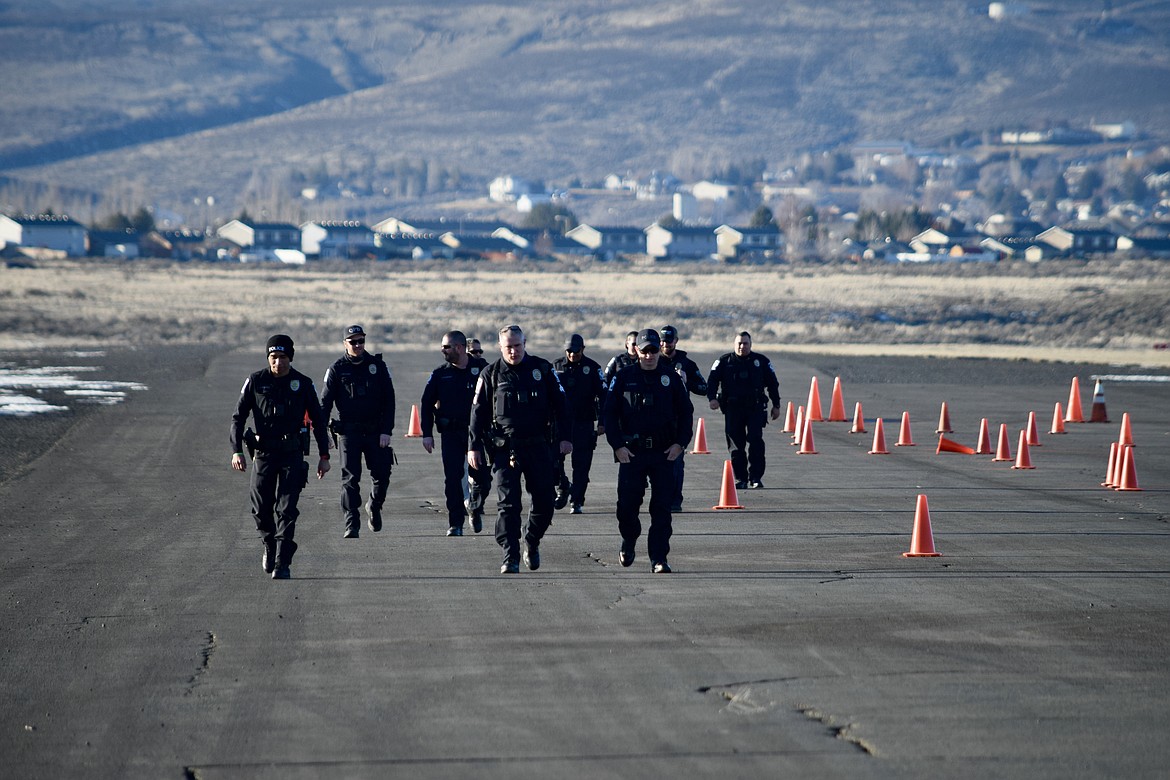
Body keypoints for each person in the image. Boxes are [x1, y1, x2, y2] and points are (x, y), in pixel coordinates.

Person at [468, 325, 571, 574]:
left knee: (545, 502)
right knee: (508, 505)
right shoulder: (490, 374)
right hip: (505, 450)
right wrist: (473, 447)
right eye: (508, 347)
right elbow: (477, 413)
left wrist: (565, 439)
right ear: (500, 347)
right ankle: (510, 555)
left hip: (539, 447)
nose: (513, 351)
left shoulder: (542, 369)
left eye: (517, 345)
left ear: (525, 343)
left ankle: (532, 540)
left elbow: (562, 405)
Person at [230, 334, 331, 580]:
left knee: (287, 509)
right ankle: (270, 543)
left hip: (291, 454)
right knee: (260, 508)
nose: (278, 362)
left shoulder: (303, 383)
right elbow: (238, 417)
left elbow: (318, 421)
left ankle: (283, 562)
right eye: (274, 357)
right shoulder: (256, 381)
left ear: (290, 358)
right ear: (268, 358)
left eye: (283, 357)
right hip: (263, 454)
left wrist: (324, 455)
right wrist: (236, 451)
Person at [603, 329, 693, 574]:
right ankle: (629, 540)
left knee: (662, 508)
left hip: (664, 453)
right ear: (637, 352)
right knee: (627, 507)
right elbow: (609, 414)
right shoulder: (623, 377)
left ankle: (659, 558)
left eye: (654, 350)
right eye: (645, 351)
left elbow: (686, 413)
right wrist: (617, 445)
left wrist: (680, 444)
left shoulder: (670, 378)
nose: (650, 355)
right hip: (632, 454)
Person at [319, 325, 396, 539]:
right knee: (350, 479)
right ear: (345, 343)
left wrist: (386, 431)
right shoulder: (337, 369)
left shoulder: (377, 366)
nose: (358, 345)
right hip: (349, 432)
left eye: (361, 341)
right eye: (353, 342)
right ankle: (351, 522)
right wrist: (323, 435)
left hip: (375, 432)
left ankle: (374, 504)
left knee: (382, 474)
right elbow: (324, 405)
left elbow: (389, 400)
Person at [420, 330, 491, 536]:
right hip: (451, 433)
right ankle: (456, 523)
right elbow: (426, 403)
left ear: (459, 348)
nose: (443, 350)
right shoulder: (440, 374)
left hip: (479, 435)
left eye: (446, 347)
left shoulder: (483, 370)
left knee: (482, 479)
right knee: (453, 478)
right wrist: (427, 433)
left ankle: (475, 508)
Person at [706, 331, 781, 489]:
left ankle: (756, 477)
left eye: (745, 343)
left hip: (755, 408)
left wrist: (776, 405)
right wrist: (712, 398)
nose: (742, 346)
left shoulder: (761, 361)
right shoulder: (724, 361)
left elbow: (773, 384)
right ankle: (741, 478)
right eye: (739, 343)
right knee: (736, 445)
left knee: (755, 441)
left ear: (750, 344)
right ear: (734, 345)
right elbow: (712, 380)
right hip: (733, 409)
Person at [551, 334, 606, 514]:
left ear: (583, 349)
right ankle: (563, 485)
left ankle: (577, 500)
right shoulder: (555, 367)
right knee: (553, 462)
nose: (572, 355)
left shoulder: (592, 368)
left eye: (576, 351)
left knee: (581, 465)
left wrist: (603, 422)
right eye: (569, 351)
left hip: (584, 422)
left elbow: (605, 397)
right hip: (559, 423)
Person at [658, 324, 708, 512]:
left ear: (676, 341)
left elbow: (704, 388)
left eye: (669, 341)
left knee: (676, 461)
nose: (665, 344)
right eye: (662, 341)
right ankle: (660, 497)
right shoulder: (655, 361)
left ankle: (675, 501)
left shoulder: (687, 363)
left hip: (679, 418)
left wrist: (687, 381)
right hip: (657, 419)